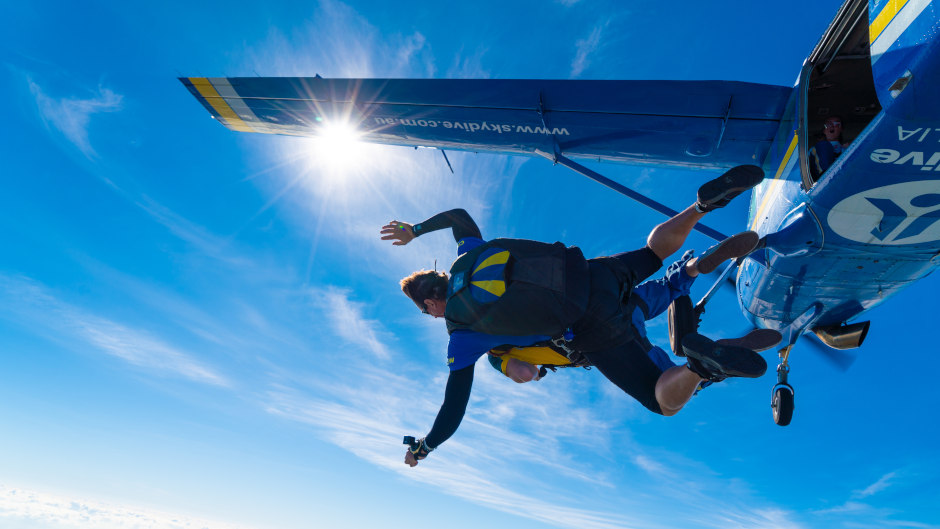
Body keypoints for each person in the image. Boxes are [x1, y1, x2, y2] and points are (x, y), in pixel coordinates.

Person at [382, 165, 771, 467]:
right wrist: (414, 230)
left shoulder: (462, 336)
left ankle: (701, 368)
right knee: (653, 254)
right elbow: (459, 215)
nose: (431, 316)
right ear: (440, 276)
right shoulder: (468, 253)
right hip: (594, 273)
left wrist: (425, 446)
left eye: (425, 311)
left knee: (662, 400)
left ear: (432, 304)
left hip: (593, 327)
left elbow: (454, 408)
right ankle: (700, 207)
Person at [485, 254, 781, 385]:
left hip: (609, 337)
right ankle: (691, 267)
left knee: (669, 385)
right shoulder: (513, 302)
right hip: (611, 299)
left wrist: (535, 374)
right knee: (668, 288)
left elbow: (523, 372)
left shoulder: (494, 353)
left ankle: (709, 365)